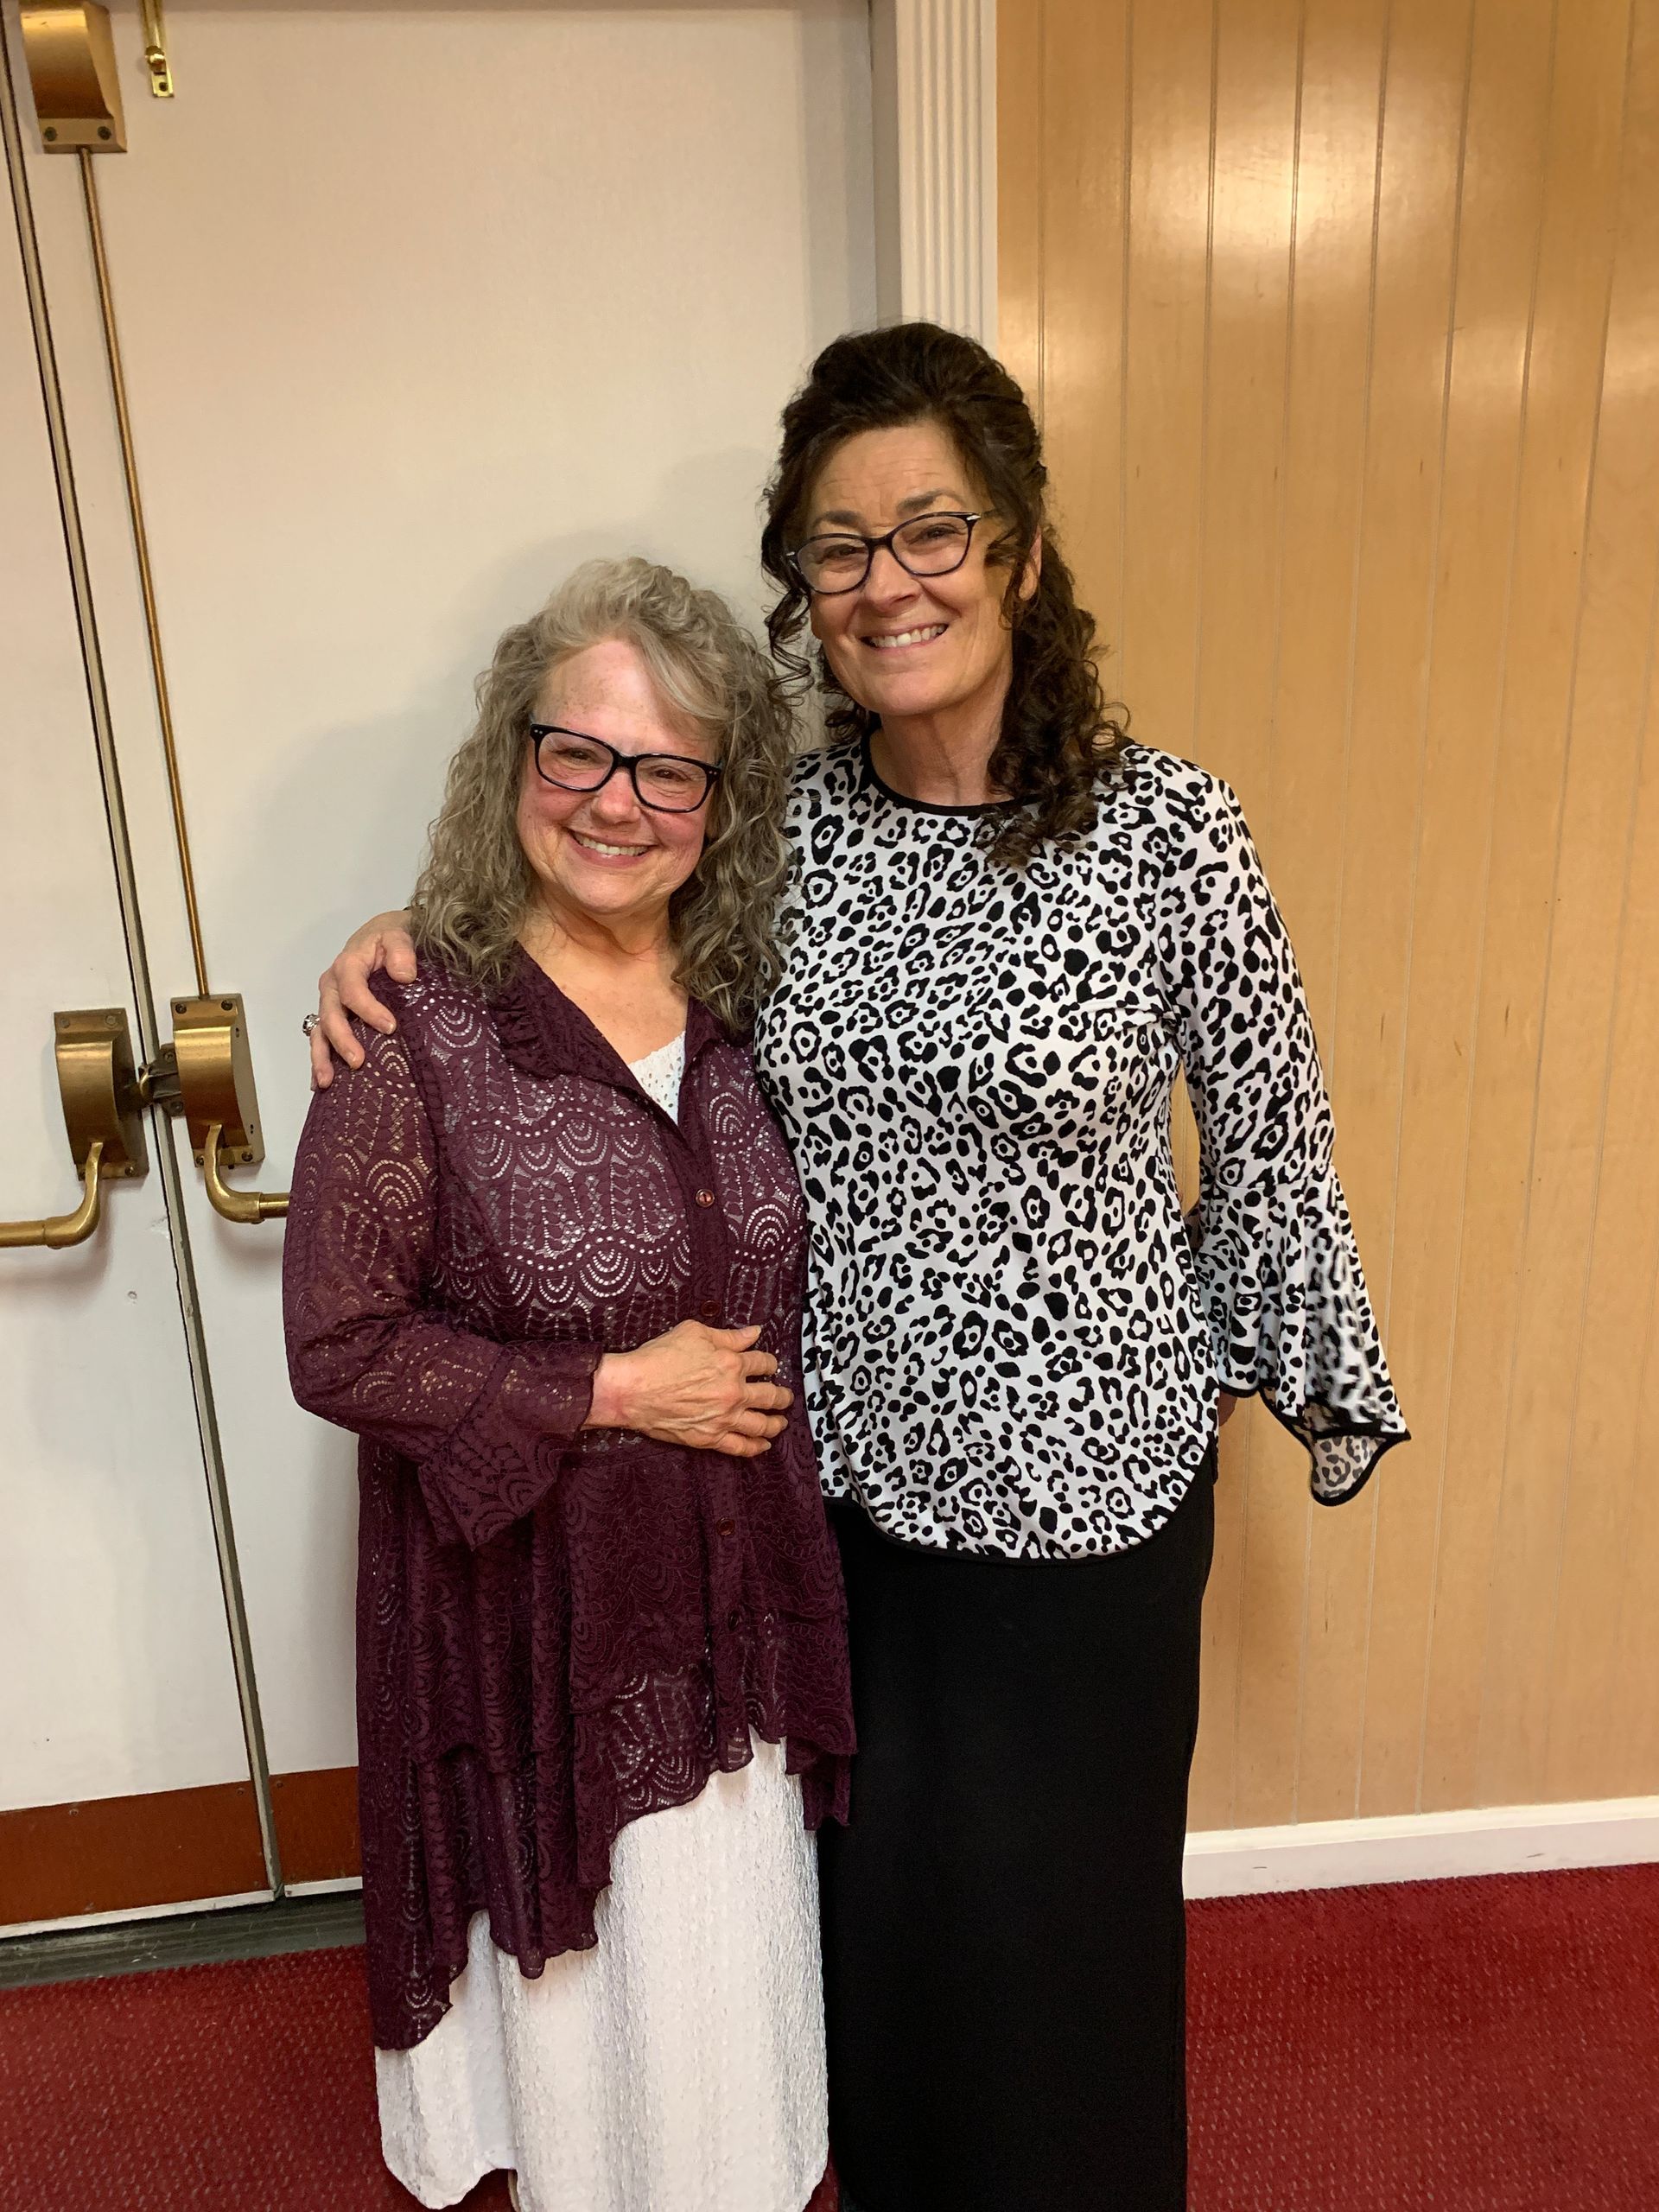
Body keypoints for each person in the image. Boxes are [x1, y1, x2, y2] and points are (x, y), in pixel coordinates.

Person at [309, 324, 1408, 2212]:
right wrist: (408, 925)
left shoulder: (1171, 832)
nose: (886, 580)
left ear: (1022, 551)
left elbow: (1277, 1152)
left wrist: (1171, 1370)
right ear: (802, 585)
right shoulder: (788, 826)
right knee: (882, 1964)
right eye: (838, 544)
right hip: (846, 1505)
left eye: (931, 529)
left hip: (1090, 1530)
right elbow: (597, 896)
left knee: (1065, 1968)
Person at [283, 556, 855, 2212]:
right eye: (579, 752)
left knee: (717, 1974)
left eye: (669, 768)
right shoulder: (414, 1026)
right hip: (528, 1623)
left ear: (718, 803)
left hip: (730, 1602)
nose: (618, 802)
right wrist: (614, 1393)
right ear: (512, 761)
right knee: (593, 2021)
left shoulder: (757, 1009)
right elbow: (339, 1347)